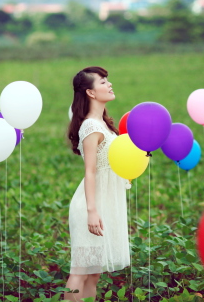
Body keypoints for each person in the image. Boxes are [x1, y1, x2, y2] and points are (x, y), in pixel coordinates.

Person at [64, 66, 130, 301]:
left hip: (104, 204)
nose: (109, 84)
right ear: (90, 92)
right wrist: (92, 212)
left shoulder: (103, 124)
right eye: (103, 82)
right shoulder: (91, 126)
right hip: (90, 206)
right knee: (79, 272)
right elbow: (90, 172)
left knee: (93, 275)